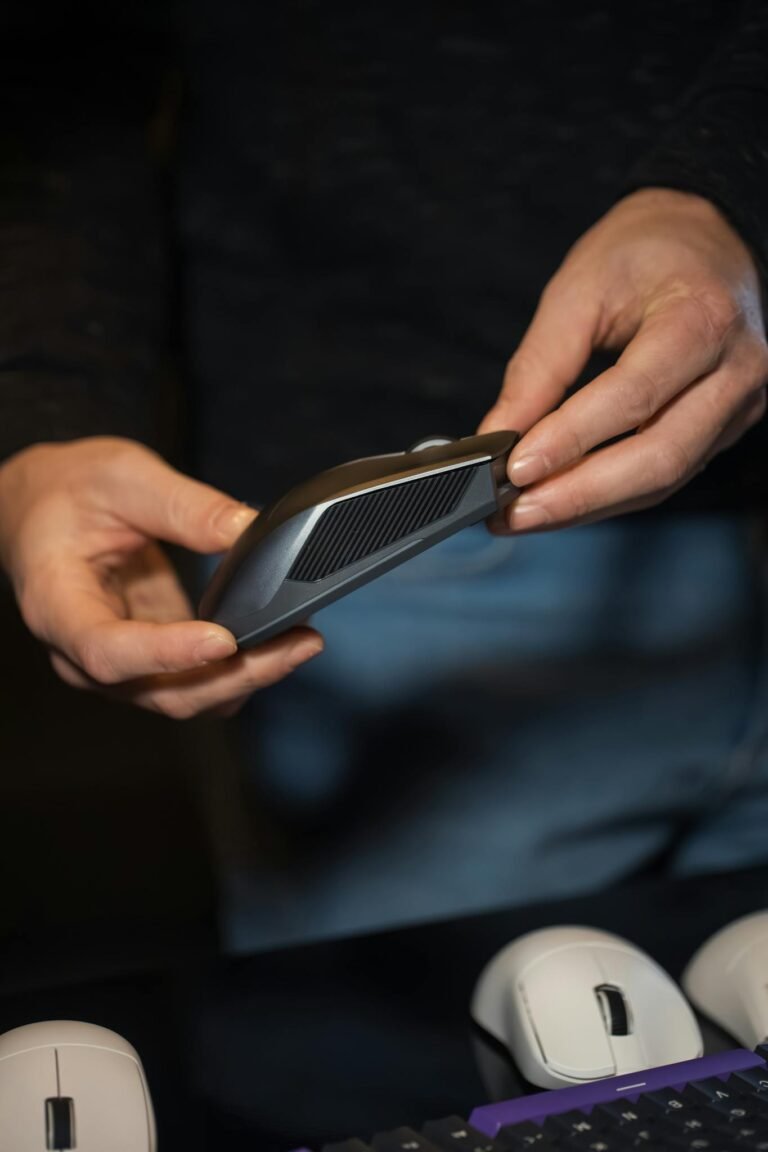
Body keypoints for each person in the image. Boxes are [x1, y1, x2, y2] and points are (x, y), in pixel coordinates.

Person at [1, 1, 767, 951]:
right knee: (408, 1067)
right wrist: (51, 416)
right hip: (413, 573)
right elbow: (61, 73)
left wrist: (730, 186)